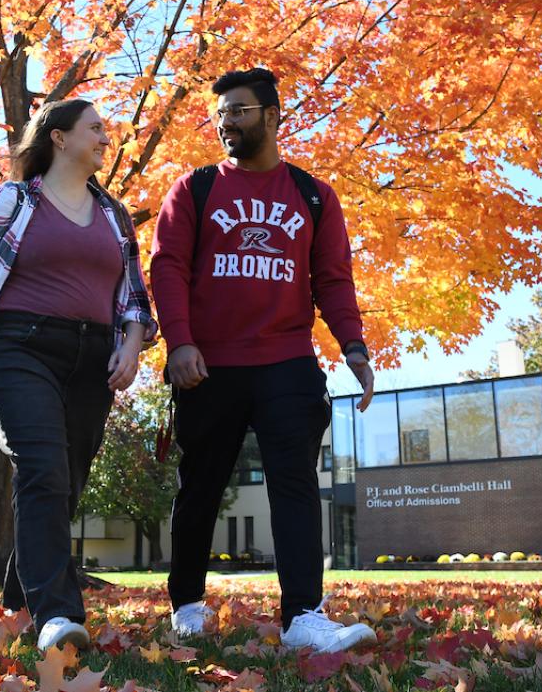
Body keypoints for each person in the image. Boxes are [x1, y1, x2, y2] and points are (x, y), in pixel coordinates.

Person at [150, 68, 376, 653]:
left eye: (240, 111)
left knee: (296, 485)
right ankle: (188, 605)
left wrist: (353, 345)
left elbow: (332, 278)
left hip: (286, 361)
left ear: (273, 116)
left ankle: (304, 614)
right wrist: (179, 343)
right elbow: (167, 268)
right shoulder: (194, 188)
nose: (227, 122)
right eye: (220, 112)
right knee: (200, 487)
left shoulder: (312, 195)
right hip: (209, 365)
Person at [0, 99, 156, 651]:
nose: (108, 137)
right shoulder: (14, 200)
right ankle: (56, 615)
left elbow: (133, 299)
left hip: (91, 359)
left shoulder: (113, 213)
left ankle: (17, 598)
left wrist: (130, 347)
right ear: (58, 138)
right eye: (96, 128)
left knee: (65, 483)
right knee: (42, 467)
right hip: (17, 346)